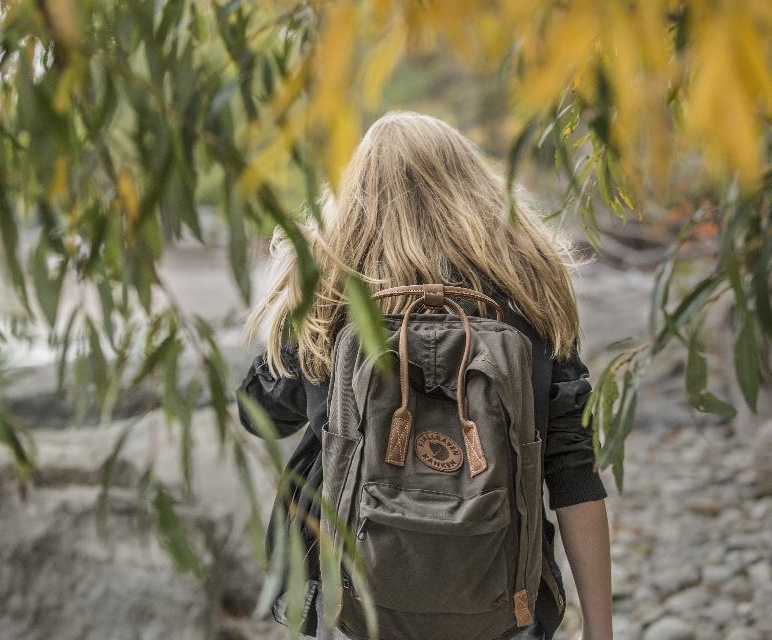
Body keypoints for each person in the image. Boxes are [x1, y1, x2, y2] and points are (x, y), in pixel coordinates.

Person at [238, 111, 613, 640]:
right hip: (501, 596)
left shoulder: (330, 297)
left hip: (347, 604)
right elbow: (572, 470)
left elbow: (262, 417)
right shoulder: (530, 294)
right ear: (475, 187)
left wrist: (294, 295)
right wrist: (602, 632)